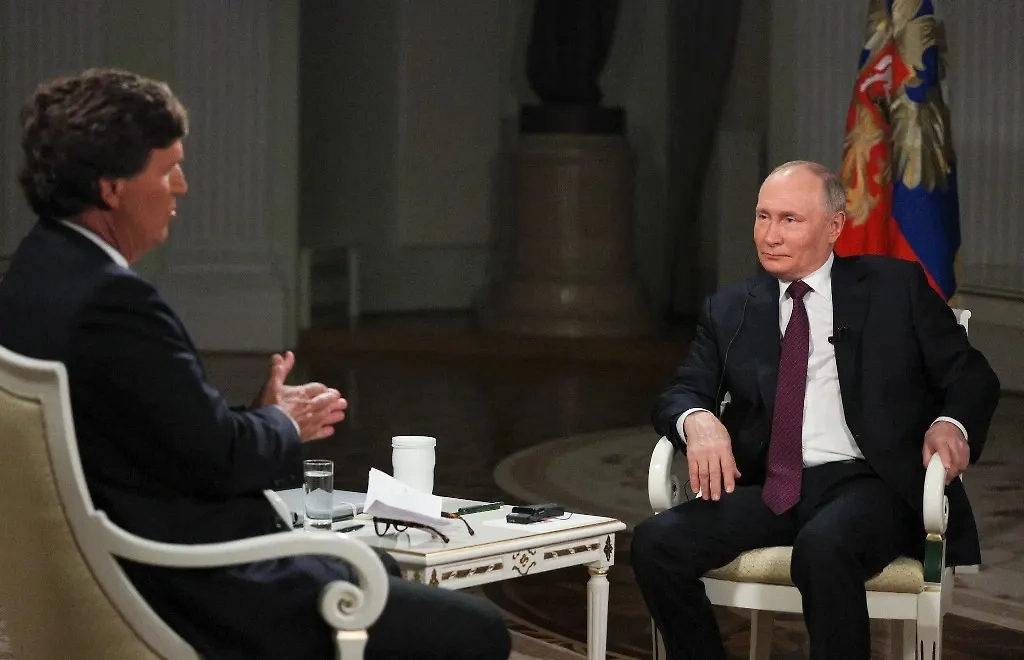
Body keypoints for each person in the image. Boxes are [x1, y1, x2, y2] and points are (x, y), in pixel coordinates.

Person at [0, 68, 510, 660]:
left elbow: (162, 437)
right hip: (190, 588)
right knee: (478, 630)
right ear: (112, 188)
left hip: (114, 561)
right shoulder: (116, 304)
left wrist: (259, 415)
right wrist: (284, 423)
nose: (182, 186)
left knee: (381, 569)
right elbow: (219, 462)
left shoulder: (34, 272)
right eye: (167, 170)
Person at [631, 160, 1000, 660]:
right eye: (763, 217)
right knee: (656, 543)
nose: (770, 235)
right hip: (773, 487)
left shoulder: (895, 288)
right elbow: (681, 390)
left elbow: (971, 375)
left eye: (790, 220)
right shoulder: (730, 308)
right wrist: (696, 420)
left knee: (823, 548)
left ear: (834, 227)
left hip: (872, 484)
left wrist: (949, 423)